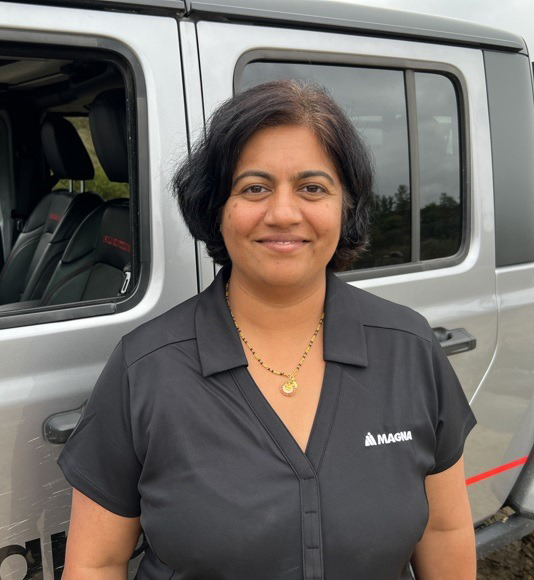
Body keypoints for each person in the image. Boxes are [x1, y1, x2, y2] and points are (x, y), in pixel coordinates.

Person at [57, 79, 477, 579]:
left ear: (346, 206)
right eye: (254, 187)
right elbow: (97, 564)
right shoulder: (146, 367)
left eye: (312, 187)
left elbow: (443, 530)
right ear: (217, 207)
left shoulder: (409, 348)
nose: (282, 213)